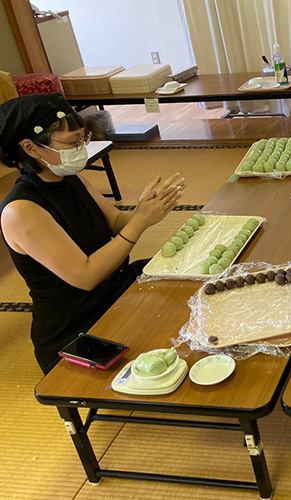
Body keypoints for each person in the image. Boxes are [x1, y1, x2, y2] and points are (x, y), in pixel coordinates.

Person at [0, 93, 184, 374]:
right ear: (31, 147)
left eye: (81, 141)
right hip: (77, 325)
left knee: (186, 281)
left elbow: (117, 222)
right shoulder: (20, 210)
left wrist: (143, 210)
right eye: (72, 144)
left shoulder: (69, 178)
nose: (80, 149)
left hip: (114, 290)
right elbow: (85, 276)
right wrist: (140, 223)